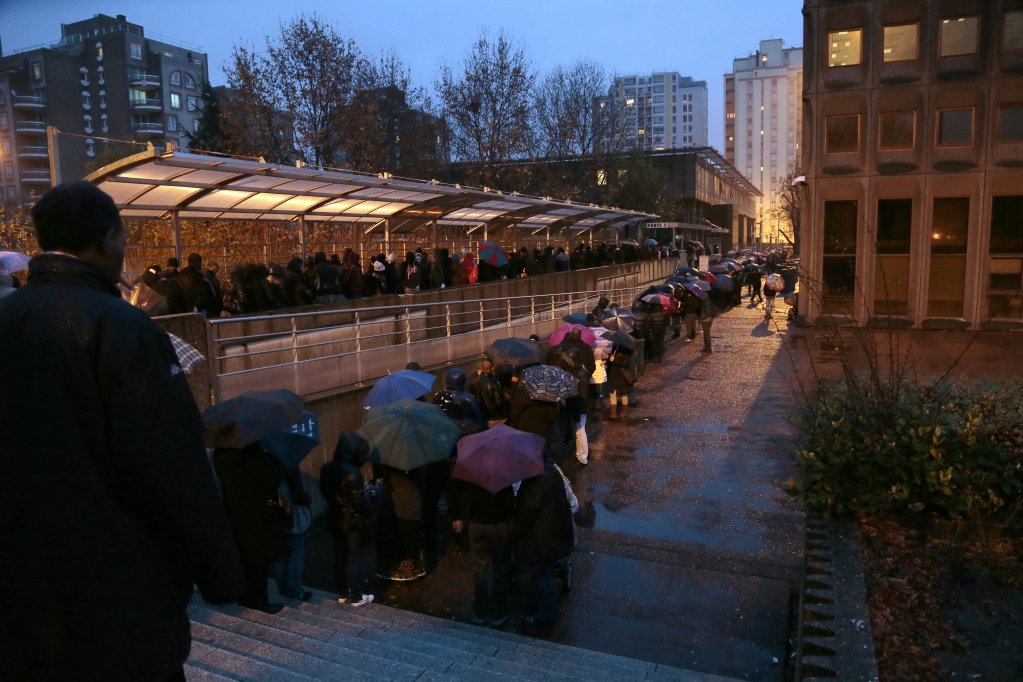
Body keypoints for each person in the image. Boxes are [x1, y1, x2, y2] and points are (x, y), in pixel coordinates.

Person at [0, 181, 245, 680]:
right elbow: (170, 461)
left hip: (22, 579)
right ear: (108, 240)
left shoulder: (8, 316)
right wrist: (220, 572)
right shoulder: (124, 328)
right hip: (117, 583)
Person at [213, 442, 289, 613]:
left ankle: (245, 597)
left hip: (233, 512)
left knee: (243, 557)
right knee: (259, 562)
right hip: (258, 516)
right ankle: (260, 601)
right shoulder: (256, 459)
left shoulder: (220, 455)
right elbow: (274, 478)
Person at [513, 458, 575, 628]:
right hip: (558, 532)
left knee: (542, 574)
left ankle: (546, 614)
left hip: (543, 540)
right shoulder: (552, 472)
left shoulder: (533, 483)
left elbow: (525, 514)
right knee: (542, 571)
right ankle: (539, 604)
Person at [447, 475, 515, 627]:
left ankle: (480, 611)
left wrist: (457, 516)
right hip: (498, 524)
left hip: (476, 523)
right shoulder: (504, 469)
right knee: (500, 568)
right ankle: (499, 613)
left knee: (480, 568)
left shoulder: (471, 468)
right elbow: (509, 502)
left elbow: (454, 489)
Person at [320, 432, 377, 607]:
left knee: (339, 556)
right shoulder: (353, 473)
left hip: (334, 518)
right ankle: (357, 595)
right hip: (351, 522)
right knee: (354, 557)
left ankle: (343, 593)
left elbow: (325, 493)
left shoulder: (327, 468)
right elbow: (360, 504)